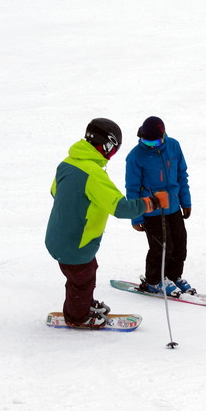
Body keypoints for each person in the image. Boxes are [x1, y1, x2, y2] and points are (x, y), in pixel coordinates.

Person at [45, 118, 168, 328]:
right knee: (82, 279)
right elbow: (121, 208)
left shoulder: (67, 163)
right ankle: (78, 316)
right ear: (106, 146)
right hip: (76, 242)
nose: (110, 157)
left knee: (82, 274)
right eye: (112, 152)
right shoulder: (93, 174)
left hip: (56, 237)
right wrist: (153, 202)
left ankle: (81, 304)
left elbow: (54, 191)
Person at [125, 116, 194, 297]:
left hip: (173, 207)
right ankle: (154, 281)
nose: (151, 145)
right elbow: (132, 189)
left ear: (163, 136)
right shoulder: (135, 157)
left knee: (179, 244)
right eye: (146, 140)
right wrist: (136, 216)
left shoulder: (173, 146)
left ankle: (172, 276)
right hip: (151, 211)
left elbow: (181, 175)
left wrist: (185, 201)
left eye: (155, 141)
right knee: (162, 247)